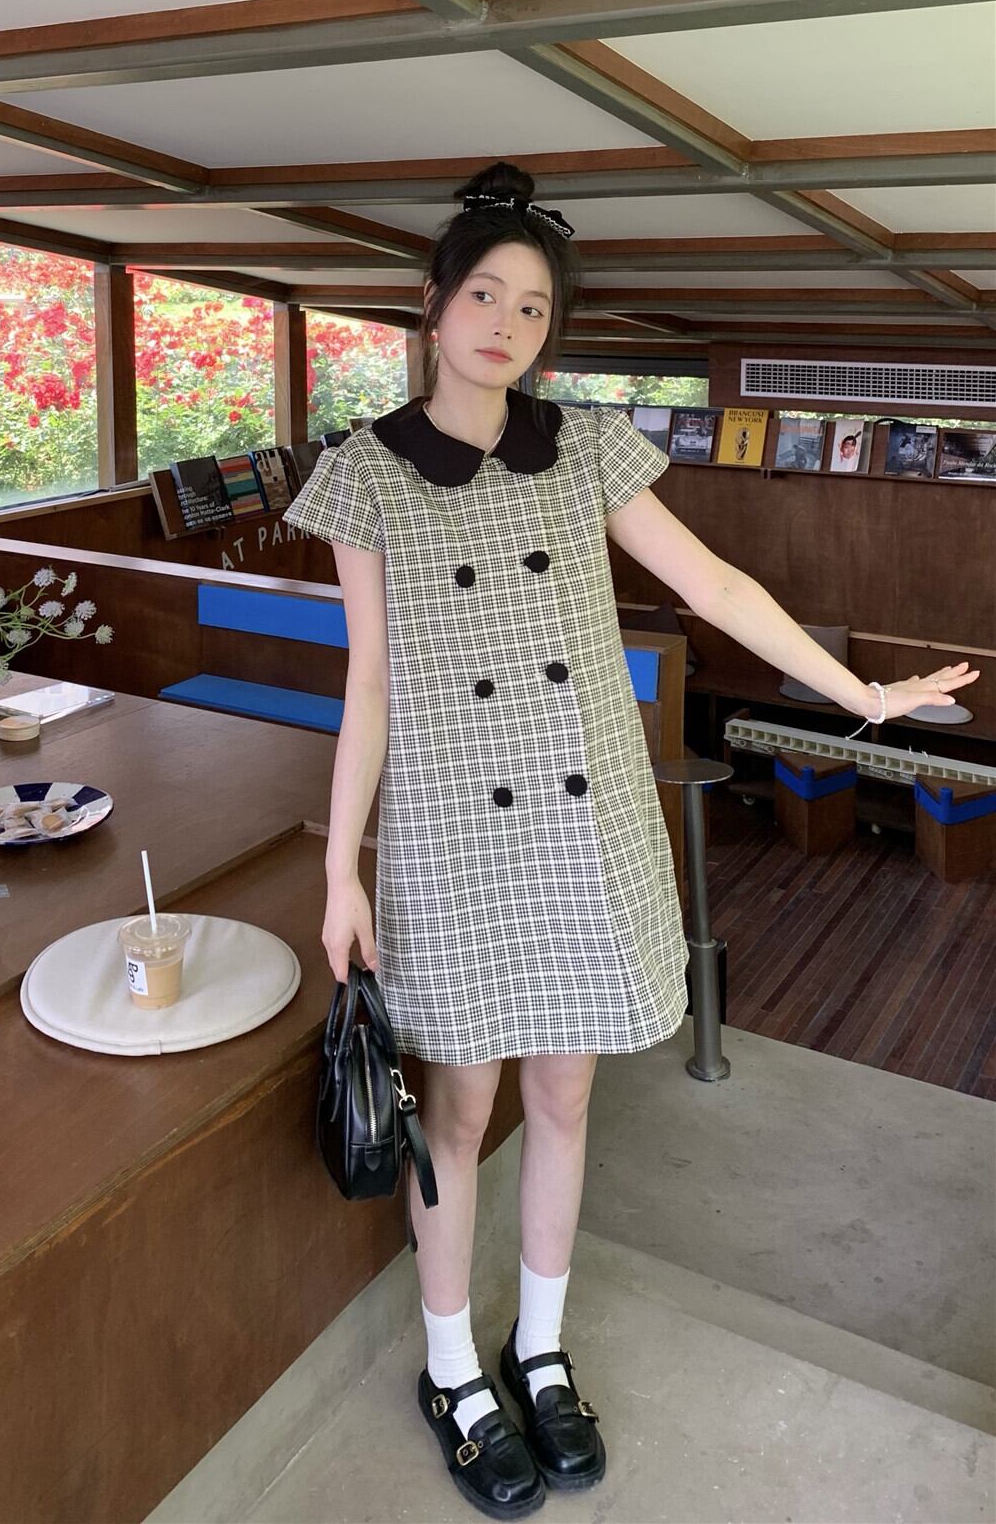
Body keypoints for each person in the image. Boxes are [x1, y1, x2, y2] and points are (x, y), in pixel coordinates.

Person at [281, 160, 980, 1520]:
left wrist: (863, 694)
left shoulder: (588, 448)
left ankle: (538, 1350)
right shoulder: (363, 475)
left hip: (586, 818)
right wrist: (338, 866)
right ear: (433, 302)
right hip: (452, 830)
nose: (506, 323)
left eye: (534, 307)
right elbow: (368, 683)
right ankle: (451, 1370)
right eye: (485, 294)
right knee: (460, 1111)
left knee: (566, 1096)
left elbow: (713, 583)